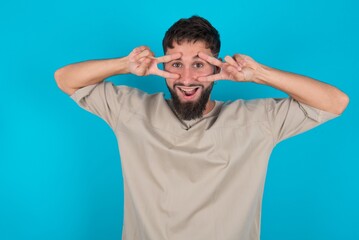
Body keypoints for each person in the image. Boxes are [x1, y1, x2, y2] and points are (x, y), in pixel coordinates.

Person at [55, 16, 349, 240]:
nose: (186, 77)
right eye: (175, 64)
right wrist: (124, 65)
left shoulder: (256, 121)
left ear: (216, 67)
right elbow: (65, 78)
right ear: (162, 66)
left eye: (198, 64)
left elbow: (335, 102)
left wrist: (259, 74)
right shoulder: (130, 110)